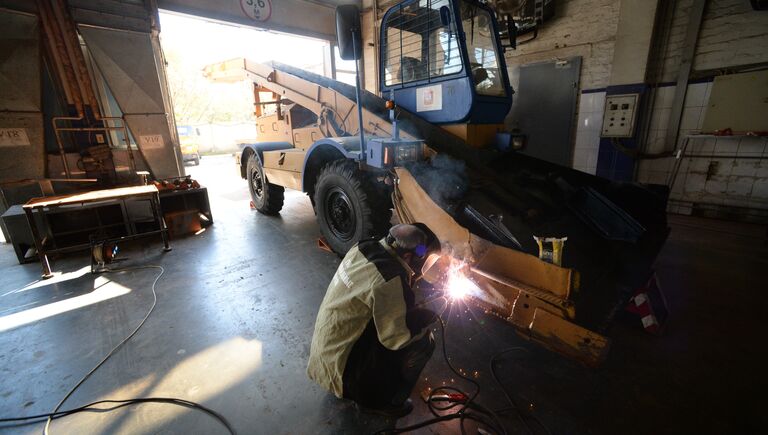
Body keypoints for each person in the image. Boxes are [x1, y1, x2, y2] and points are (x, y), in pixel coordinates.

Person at [307, 223, 442, 417]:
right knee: (424, 343)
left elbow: (372, 298)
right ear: (408, 257)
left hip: (324, 358)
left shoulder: (363, 247)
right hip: (342, 374)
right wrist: (421, 321)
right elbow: (397, 339)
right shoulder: (391, 279)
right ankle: (386, 401)